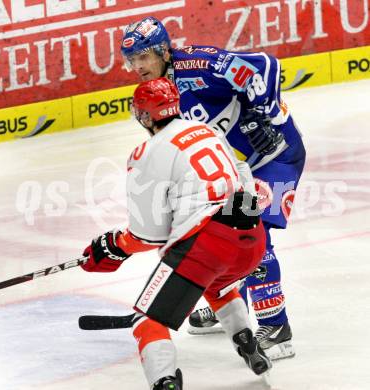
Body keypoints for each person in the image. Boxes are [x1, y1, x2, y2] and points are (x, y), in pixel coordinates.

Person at [120, 16, 306, 361]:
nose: (137, 66)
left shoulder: (198, 64)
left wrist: (259, 115)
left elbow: (264, 66)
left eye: (143, 56)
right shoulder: (164, 92)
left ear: (162, 50)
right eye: (132, 60)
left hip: (278, 156)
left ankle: (277, 329)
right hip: (241, 167)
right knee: (222, 231)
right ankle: (233, 304)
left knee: (254, 231)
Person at [80, 78, 272, 389]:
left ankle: (164, 383)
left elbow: (148, 233)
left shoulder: (147, 152)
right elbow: (243, 176)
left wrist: (114, 245)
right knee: (218, 285)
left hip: (209, 244)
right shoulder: (210, 130)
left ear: (144, 116)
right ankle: (249, 344)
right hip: (252, 235)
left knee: (148, 320)